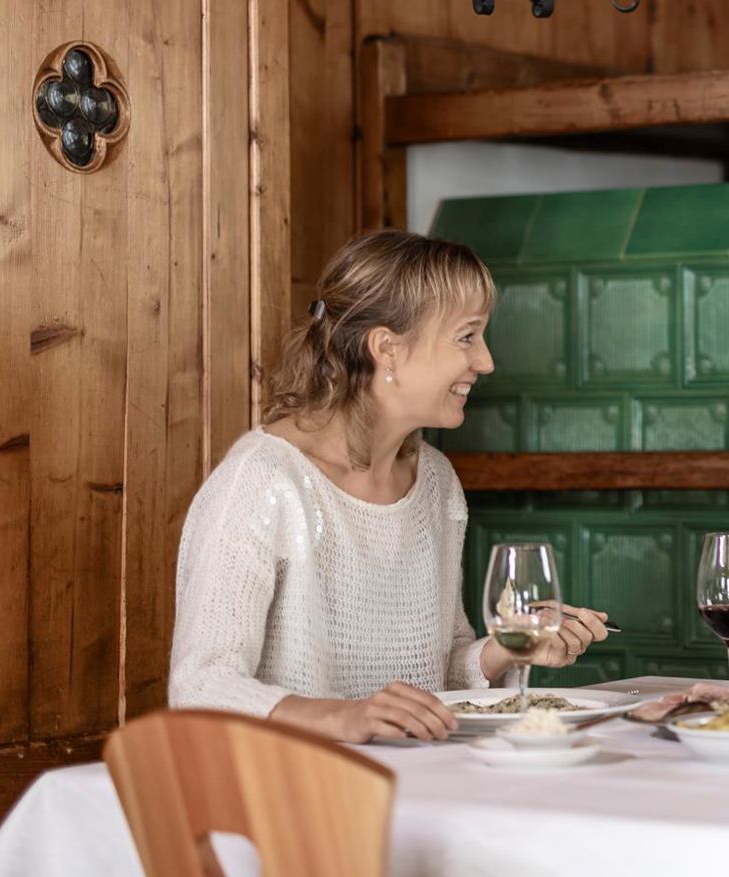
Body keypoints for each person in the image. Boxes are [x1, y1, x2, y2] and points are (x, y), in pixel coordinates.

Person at [169, 230, 610, 742]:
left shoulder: (437, 483)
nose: (486, 361)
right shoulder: (263, 480)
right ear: (388, 348)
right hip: (292, 792)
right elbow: (199, 685)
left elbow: (437, 675)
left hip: (421, 778)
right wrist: (341, 717)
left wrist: (506, 649)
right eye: (467, 336)